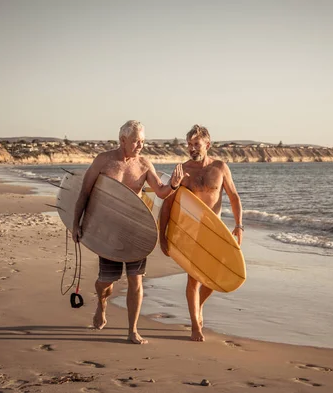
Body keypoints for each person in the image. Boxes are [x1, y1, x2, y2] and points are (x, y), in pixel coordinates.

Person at [72, 120, 186, 344]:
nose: (140, 145)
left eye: (143, 141)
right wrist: (76, 224)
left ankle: (132, 330)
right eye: (136, 141)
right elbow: (85, 192)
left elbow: (161, 192)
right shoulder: (103, 161)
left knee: (136, 281)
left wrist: (173, 184)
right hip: (108, 231)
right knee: (106, 282)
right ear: (122, 140)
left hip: (135, 229)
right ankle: (101, 304)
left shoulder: (144, 164)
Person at [159, 124, 243, 342]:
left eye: (196, 144)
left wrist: (239, 225)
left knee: (213, 278)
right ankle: (195, 326)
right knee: (194, 280)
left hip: (216, 232)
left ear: (208, 144)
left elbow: (234, 197)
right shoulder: (183, 171)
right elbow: (168, 205)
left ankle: (199, 307)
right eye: (189, 145)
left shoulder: (220, 167)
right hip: (192, 233)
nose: (192, 148)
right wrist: (163, 236)